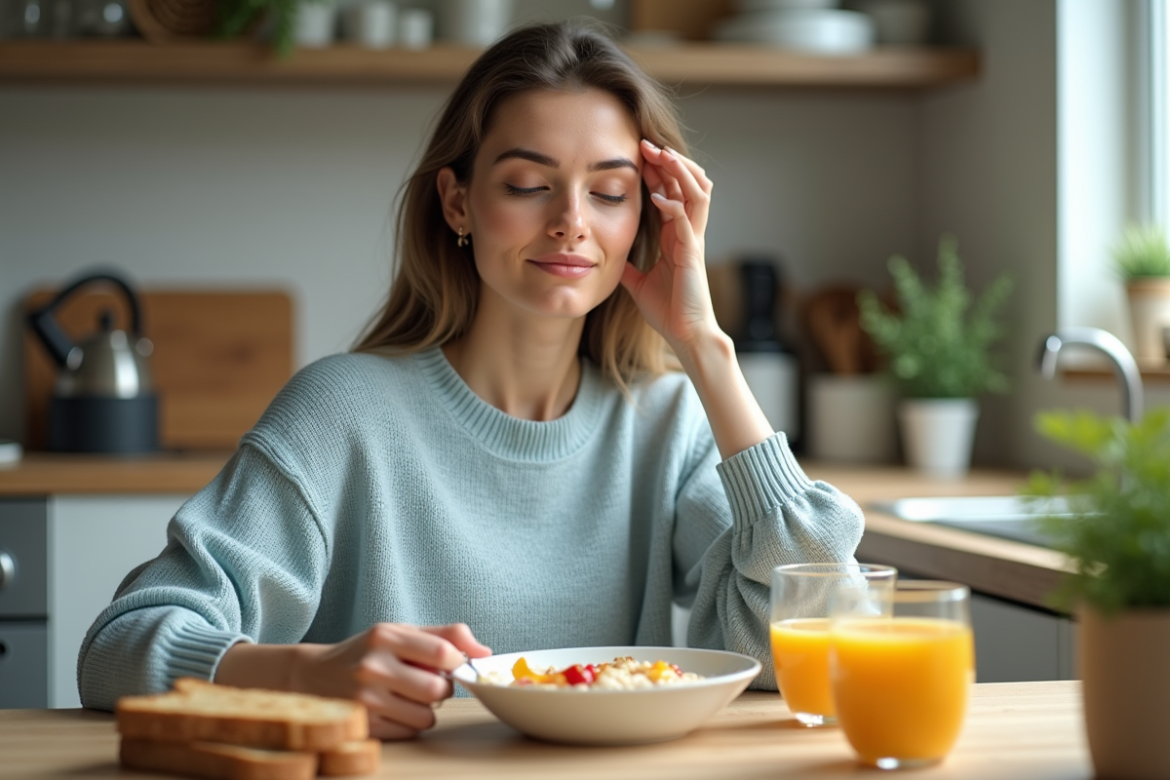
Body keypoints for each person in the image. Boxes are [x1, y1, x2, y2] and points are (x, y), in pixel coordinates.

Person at [77, 20, 864, 739]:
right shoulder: (341, 415)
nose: (571, 221)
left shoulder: (666, 423)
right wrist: (307, 674)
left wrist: (706, 349)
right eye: (528, 184)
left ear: (648, 220)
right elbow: (115, 649)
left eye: (611, 192)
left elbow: (822, 642)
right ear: (458, 201)